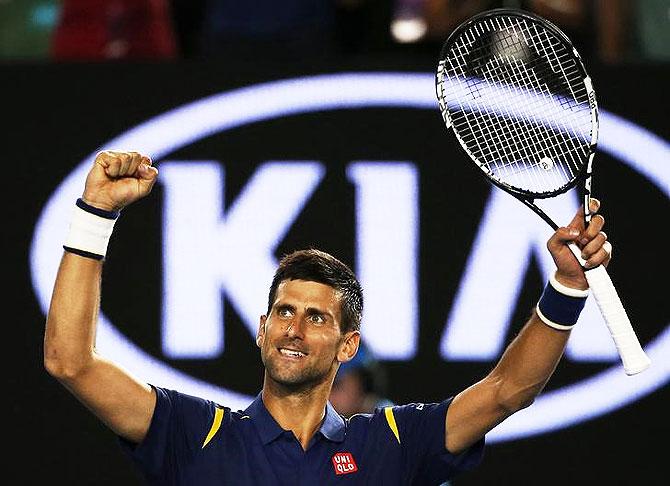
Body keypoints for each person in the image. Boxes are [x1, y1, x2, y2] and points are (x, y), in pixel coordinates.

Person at [44, 150, 613, 484]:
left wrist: (566, 284)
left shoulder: (391, 443)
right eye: (284, 312)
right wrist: (94, 215)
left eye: (317, 318)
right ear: (262, 328)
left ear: (347, 346)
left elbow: (508, 390)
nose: (294, 327)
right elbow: (70, 364)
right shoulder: (193, 434)